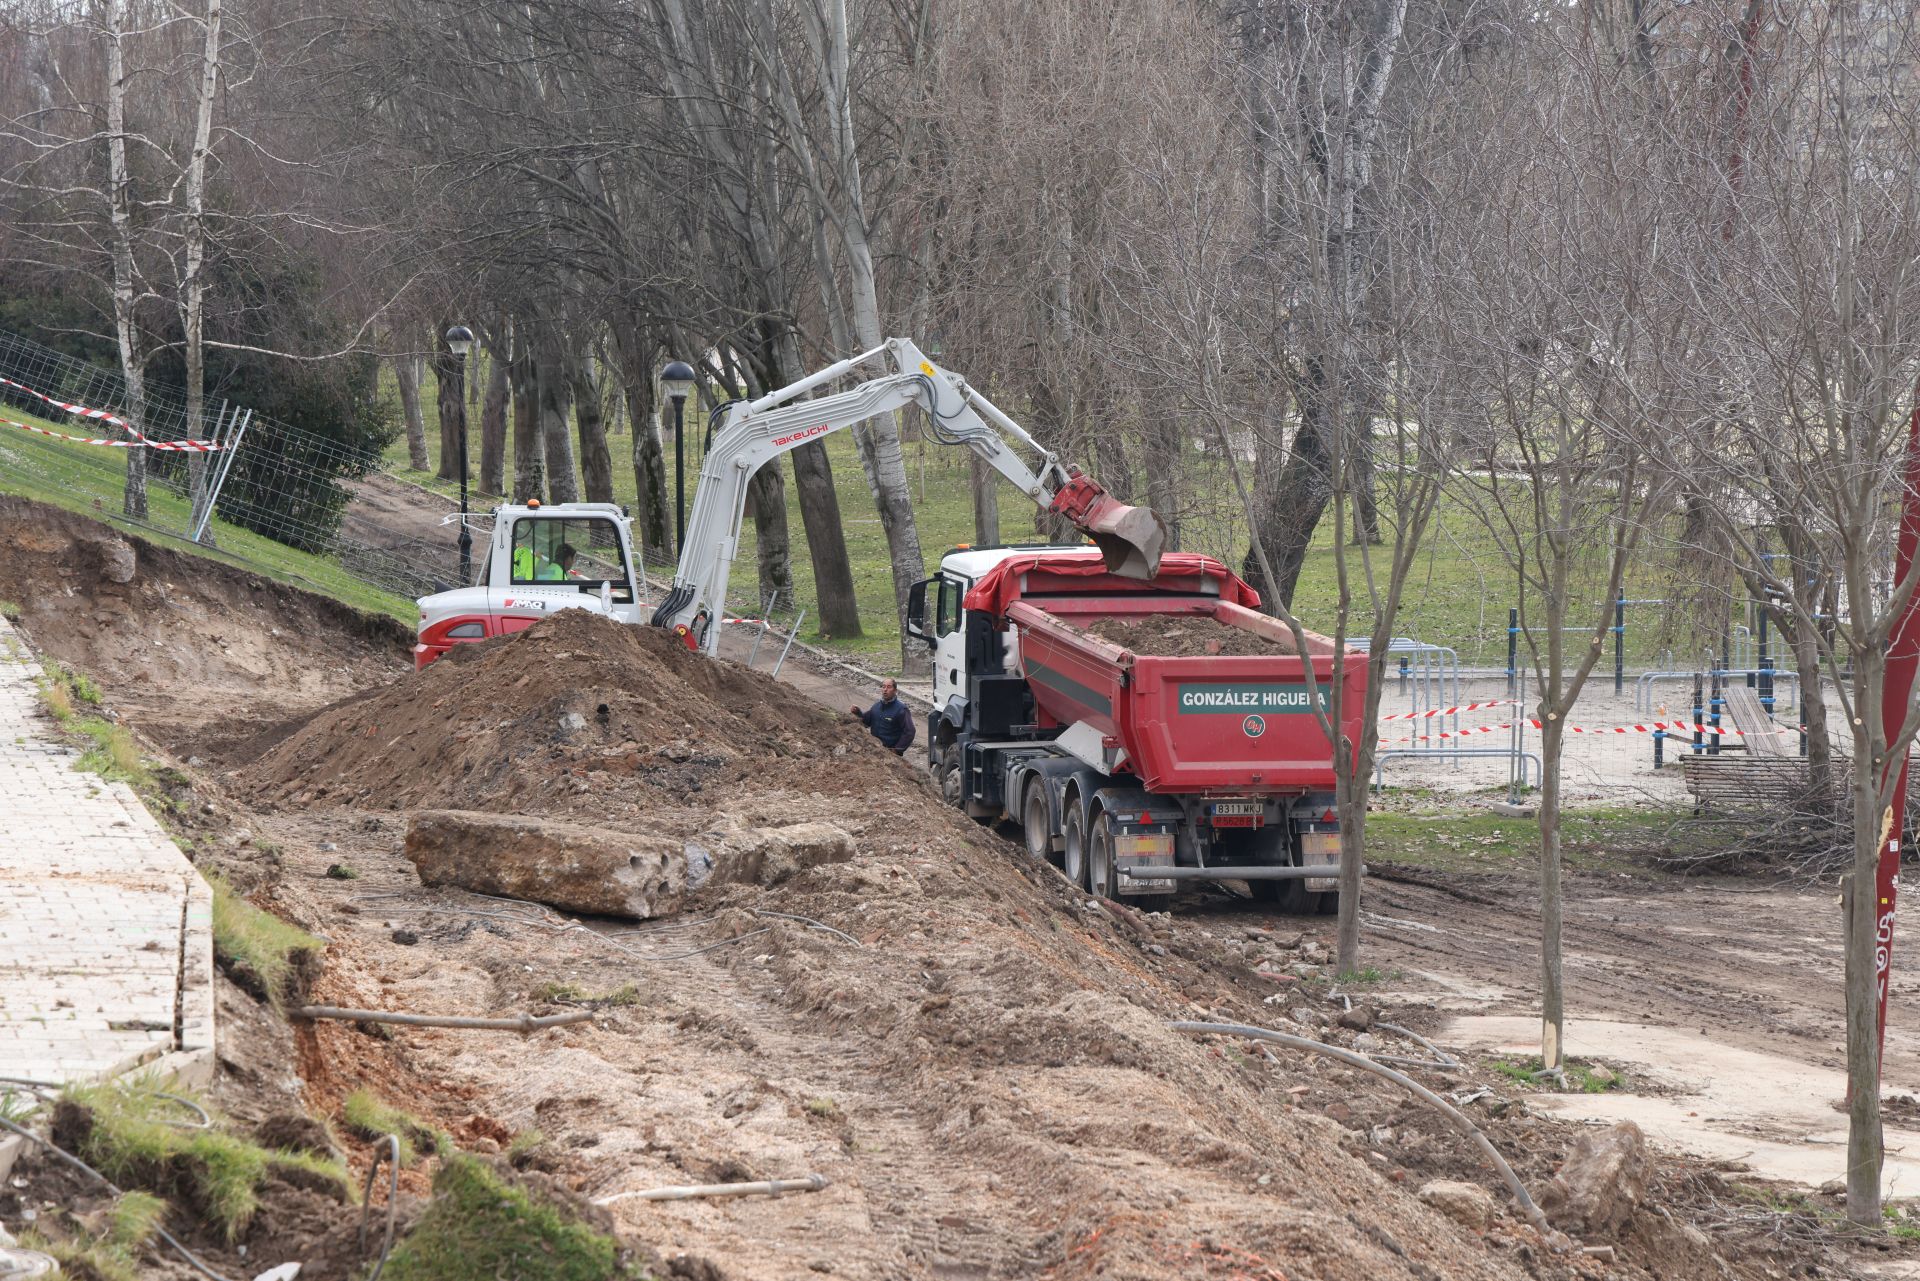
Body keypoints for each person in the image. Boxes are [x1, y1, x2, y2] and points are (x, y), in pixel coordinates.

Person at [851, 679, 916, 756]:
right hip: (874, 750)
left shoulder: (901, 710)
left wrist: (897, 749)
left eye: (889, 687)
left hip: (889, 753)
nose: (885, 689)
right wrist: (858, 712)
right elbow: (866, 722)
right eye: (883, 687)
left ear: (895, 690)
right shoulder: (876, 706)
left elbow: (910, 731)